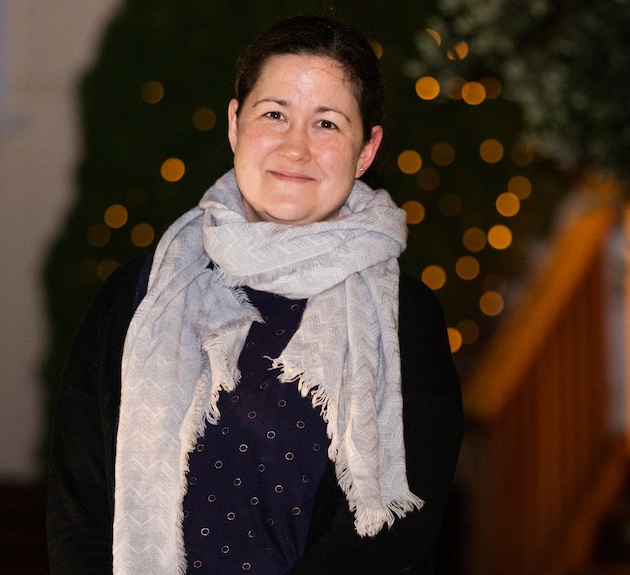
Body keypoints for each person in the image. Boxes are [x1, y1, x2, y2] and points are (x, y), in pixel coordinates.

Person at [46, 15, 463, 575]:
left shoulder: (403, 319)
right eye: (274, 115)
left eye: (328, 124)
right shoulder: (136, 297)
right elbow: (80, 509)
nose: (296, 148)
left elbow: (390, 538)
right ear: (235, 125)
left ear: (367, 150)